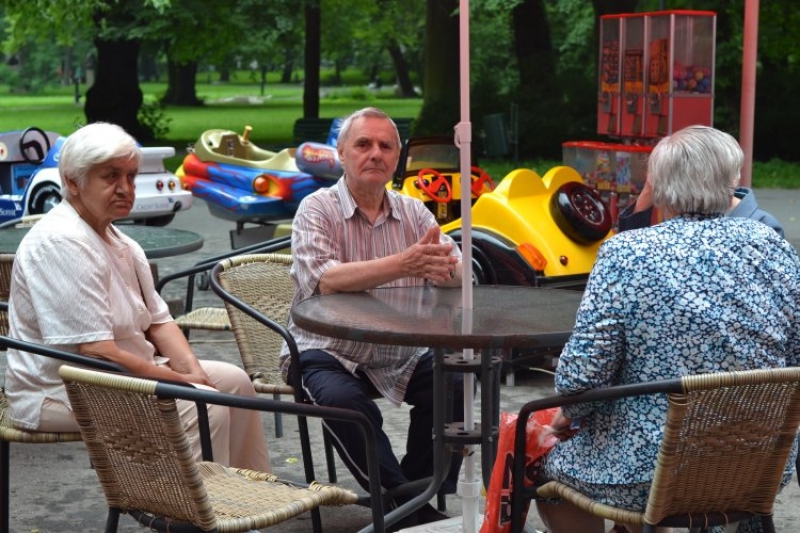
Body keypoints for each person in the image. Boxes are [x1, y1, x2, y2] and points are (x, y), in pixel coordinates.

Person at [536, 125, 800, 533]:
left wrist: (568, 414)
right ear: (732, 180)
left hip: (648, 472)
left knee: (540, 466)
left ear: (656, 187)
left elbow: (582, 377)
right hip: (757, 465)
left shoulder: (627, 252)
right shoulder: (773, 246)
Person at [5, 122, 270, 472]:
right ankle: (192, 516)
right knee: (204, 406)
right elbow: (95, 350)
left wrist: (192, 373)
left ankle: (243, 499)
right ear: (72, 181)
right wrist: (180, 383)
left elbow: (160, 322)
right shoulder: (62, 241)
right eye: (111, 176)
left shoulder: (121, 241)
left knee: (234, 383)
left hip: (118, 374)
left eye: (130, 177)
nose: (125, 188)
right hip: (61, 389)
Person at [280, 107, 464, 527]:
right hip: (325, 349)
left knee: (454, 378)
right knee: (346, 404)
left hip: (401, 350)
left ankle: (420, 493)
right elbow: (324, 279)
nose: (375, 154)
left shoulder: (414, 212)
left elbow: (454, 270)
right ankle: (400, 502)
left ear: (397, 159)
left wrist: (449, 271)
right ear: (341, 154)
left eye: (386, 146)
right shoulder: (316, 208)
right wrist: (405, 263)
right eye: (363, 144)